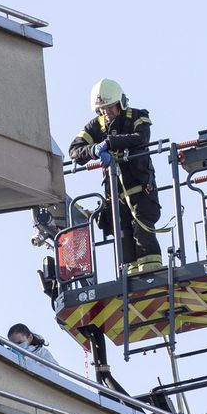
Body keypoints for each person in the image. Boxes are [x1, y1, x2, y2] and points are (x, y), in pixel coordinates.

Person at [67, 77, 162, 274]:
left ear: (120, 102)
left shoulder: (137, 117)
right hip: (115, 197)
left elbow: (140, 138)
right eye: (102, 109)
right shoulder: (96, 125)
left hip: (141, 189)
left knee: (142, 229)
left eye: (110, 107)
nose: (106, 113)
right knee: (123, 236)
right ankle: (131, 276)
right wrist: (94, 149)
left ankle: (152, 272)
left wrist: (110, 143)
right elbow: (75, 151)